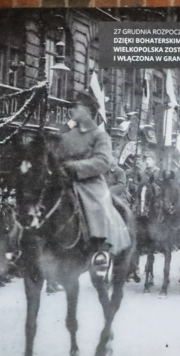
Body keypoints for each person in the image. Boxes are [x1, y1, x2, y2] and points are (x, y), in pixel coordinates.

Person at [56, 90, 132, 277]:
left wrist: (76, 166)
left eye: (77, 107)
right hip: (65, 179)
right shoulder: (67, 133)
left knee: (97, 205)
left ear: (88, 111)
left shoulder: (100, 135)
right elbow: (57, 154)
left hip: (90, 183)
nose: (72, 110)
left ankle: (100, 250)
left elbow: (103, 161)